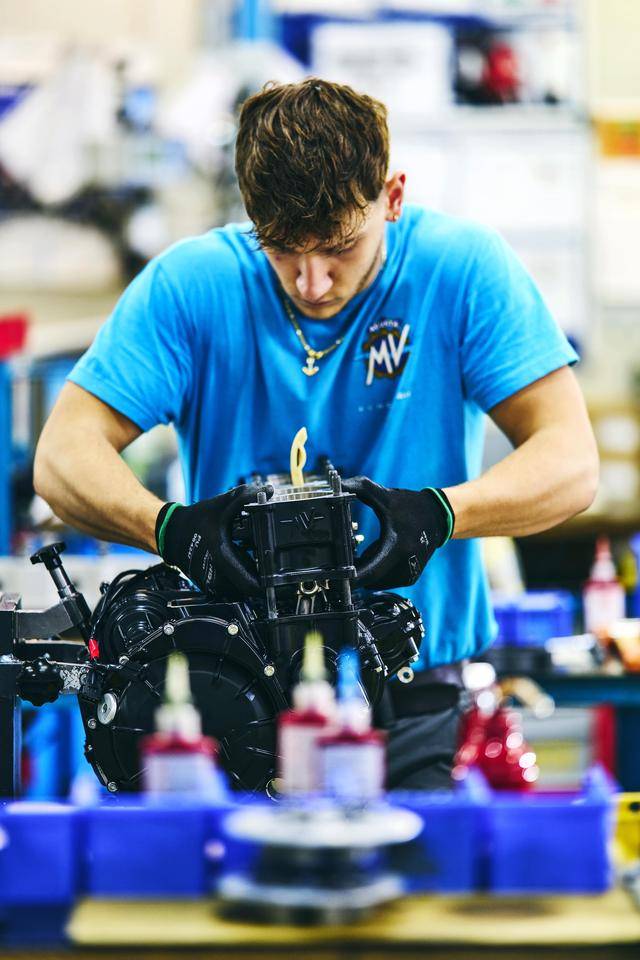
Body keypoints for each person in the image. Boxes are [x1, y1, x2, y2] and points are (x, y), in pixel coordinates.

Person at [34, 78, 598, 789]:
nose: (311, 282)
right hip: (234, 695)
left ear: (392, 196)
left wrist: (441, 514)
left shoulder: (460, 271)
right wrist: (171, 529)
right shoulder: (192, 286)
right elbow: (63, 457)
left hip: (415, 693)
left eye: (339, 246)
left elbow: (570, 462)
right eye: (281, 250)